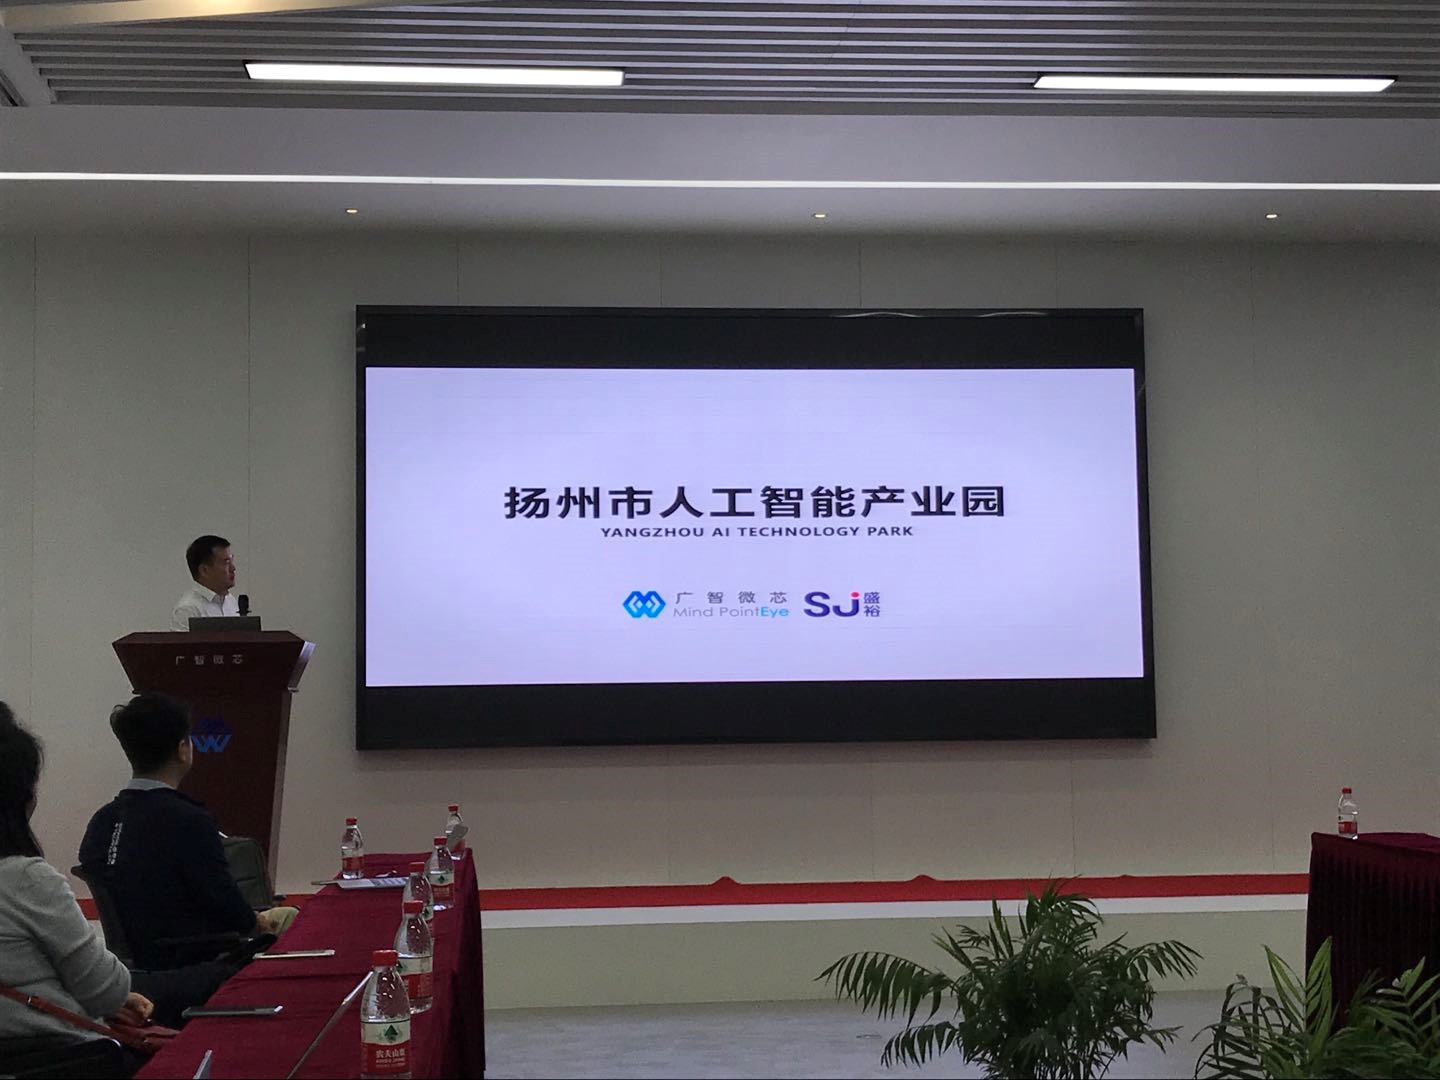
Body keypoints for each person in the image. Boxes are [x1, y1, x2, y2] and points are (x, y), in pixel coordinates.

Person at [78, 693, 296, 970]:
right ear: (183, 749)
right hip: (199, 959)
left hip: (137, 962)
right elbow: (228, 907)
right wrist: (257, 921)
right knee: (292, 918)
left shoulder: (101, 821)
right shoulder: (190, 821)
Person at [0, 702, 154, 1047]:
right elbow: (106, 991)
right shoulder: (26, 880)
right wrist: (113, 995)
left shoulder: (105, 820)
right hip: (61, 1058)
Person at [170, 535, 238, 631]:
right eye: (226, 563)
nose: (233, 568)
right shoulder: (187, 610)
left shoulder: (231, 601)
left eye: (231, 561)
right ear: (204, 570)